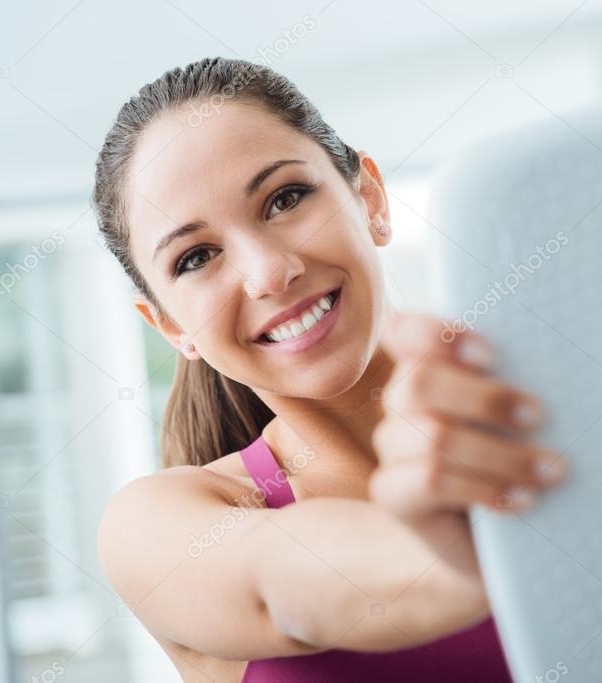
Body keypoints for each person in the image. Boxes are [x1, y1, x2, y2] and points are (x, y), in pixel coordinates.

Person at [93, 56, 568, 682]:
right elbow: (281, 589)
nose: (269, 273)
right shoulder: (154, 525)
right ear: (171, 327)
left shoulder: (549, 412)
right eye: (196, 257)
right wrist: (452, 554)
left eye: (285, 198)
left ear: (368, 198)